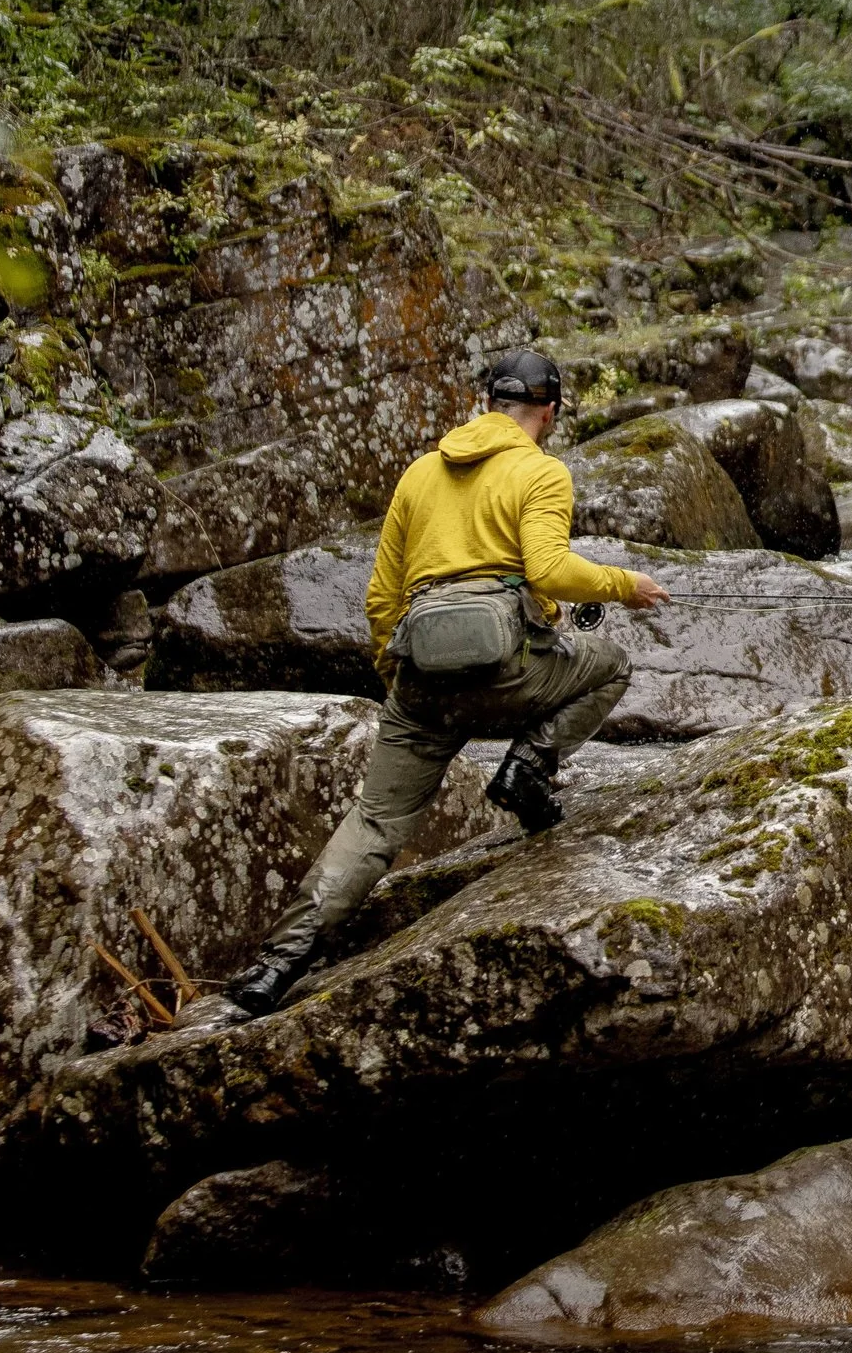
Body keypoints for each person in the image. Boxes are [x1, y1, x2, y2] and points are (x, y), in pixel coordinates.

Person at [203, 351, 671, 1021]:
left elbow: (382, 599)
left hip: (420, 682)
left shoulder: (421, 474)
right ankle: (528, 772)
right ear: (550, 412)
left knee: (372, 824)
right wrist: (626, 586)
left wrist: (400, 682)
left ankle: (274, 967)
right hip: (509, 673)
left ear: (487, 402)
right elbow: (549, 569)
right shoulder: (540, 471)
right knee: (610, 664)